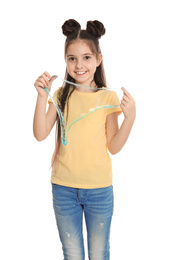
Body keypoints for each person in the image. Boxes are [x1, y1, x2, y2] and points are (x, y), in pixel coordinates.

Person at [33, 19, 136, 260]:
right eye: (72, 58)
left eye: (87, 57)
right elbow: (40, 134)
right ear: (66, 60)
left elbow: (114, 146)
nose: (79, 65)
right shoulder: (59, 95)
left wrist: (129, 119)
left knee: (99, 254)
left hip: (99, 190)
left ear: (98, 59)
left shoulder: (108, 97)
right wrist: (40, 97)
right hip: (63, 188)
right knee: (72, 254)